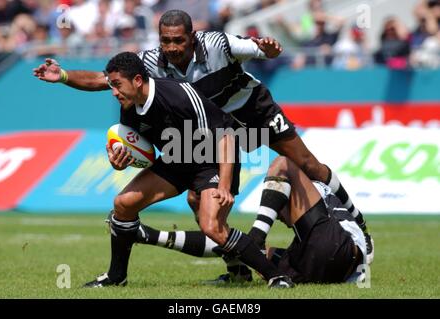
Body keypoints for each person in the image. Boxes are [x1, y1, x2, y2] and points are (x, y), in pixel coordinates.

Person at [33, 9, 374, 281]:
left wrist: (265, 49)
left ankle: (358, 223)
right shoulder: (149, 64)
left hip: (250, 111)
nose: (171, 48)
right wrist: (62, 76)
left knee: (307, 164)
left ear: (192, 37)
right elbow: (101, 80)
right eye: (165, 41)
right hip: (209, 134)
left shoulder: (217, 44)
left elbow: (255, 47)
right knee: (199, 202)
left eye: (178, 40)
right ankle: (238, 271)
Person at [82, 51, 293, 289]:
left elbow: (225, 137)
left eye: (118, 85)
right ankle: (116, 276)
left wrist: (224, 185)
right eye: (111, 85)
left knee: (212, 226)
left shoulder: (178, 95)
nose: (113, 92)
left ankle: (276, 276)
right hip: (176, 159)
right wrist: (119, 161)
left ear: (138, 80)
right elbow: (141, 151)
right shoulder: (129, 107)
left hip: (212, 158)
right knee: (123, 204)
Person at [131, 155, 367, 285]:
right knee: (247, 251)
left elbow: (309, 173)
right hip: (314, 265)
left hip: (338, 250)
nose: (282, 217)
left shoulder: (313, 186)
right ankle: (148, 235)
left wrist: (361, 224)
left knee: (283, 164)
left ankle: (256, 236)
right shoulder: (311, 217)